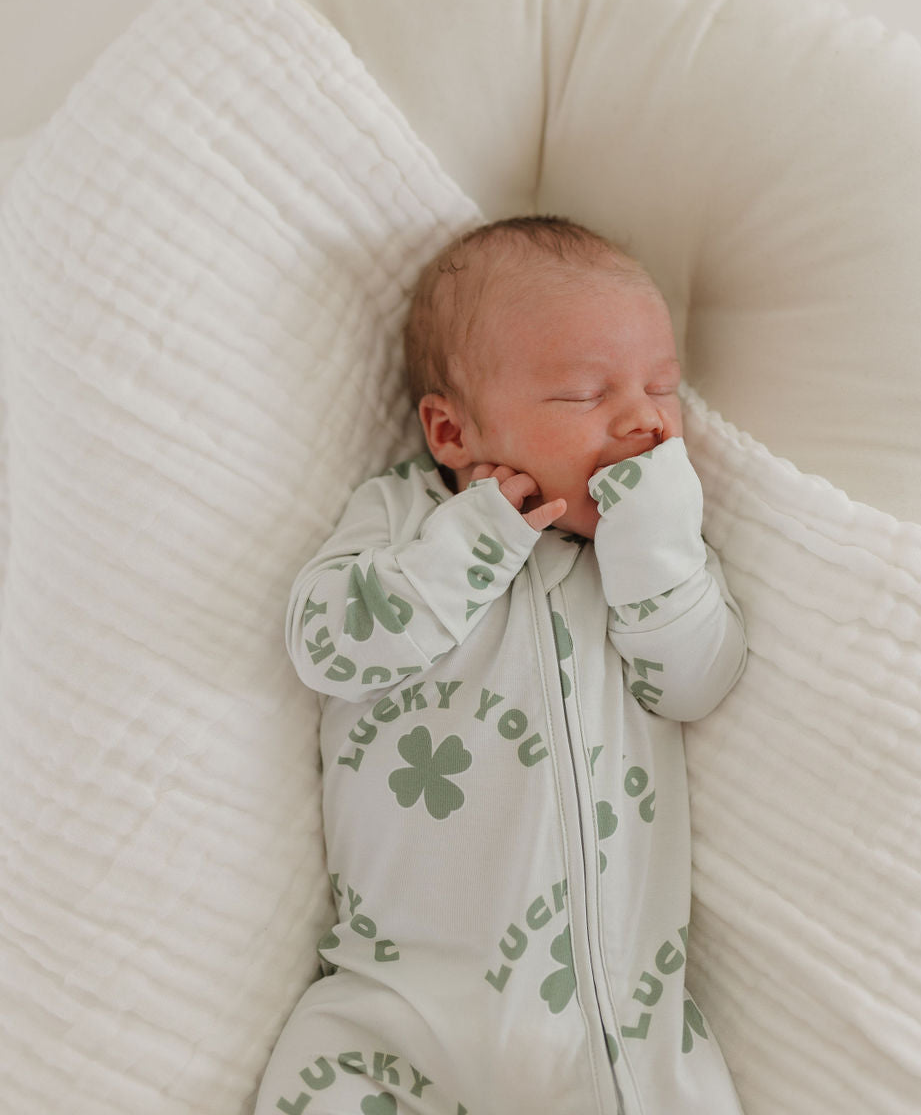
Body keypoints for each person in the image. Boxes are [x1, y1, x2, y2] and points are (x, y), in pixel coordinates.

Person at [255, 216, 747, 1115]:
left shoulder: (642, 566)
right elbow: (326, 646)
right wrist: (475, 541)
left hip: (625, 1037)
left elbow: (699, 679)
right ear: (451, 432)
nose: (643, 418)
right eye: (584, 394)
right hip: (404, 1016)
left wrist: (660, 549)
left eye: (662, 389)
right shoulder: (403, 520)